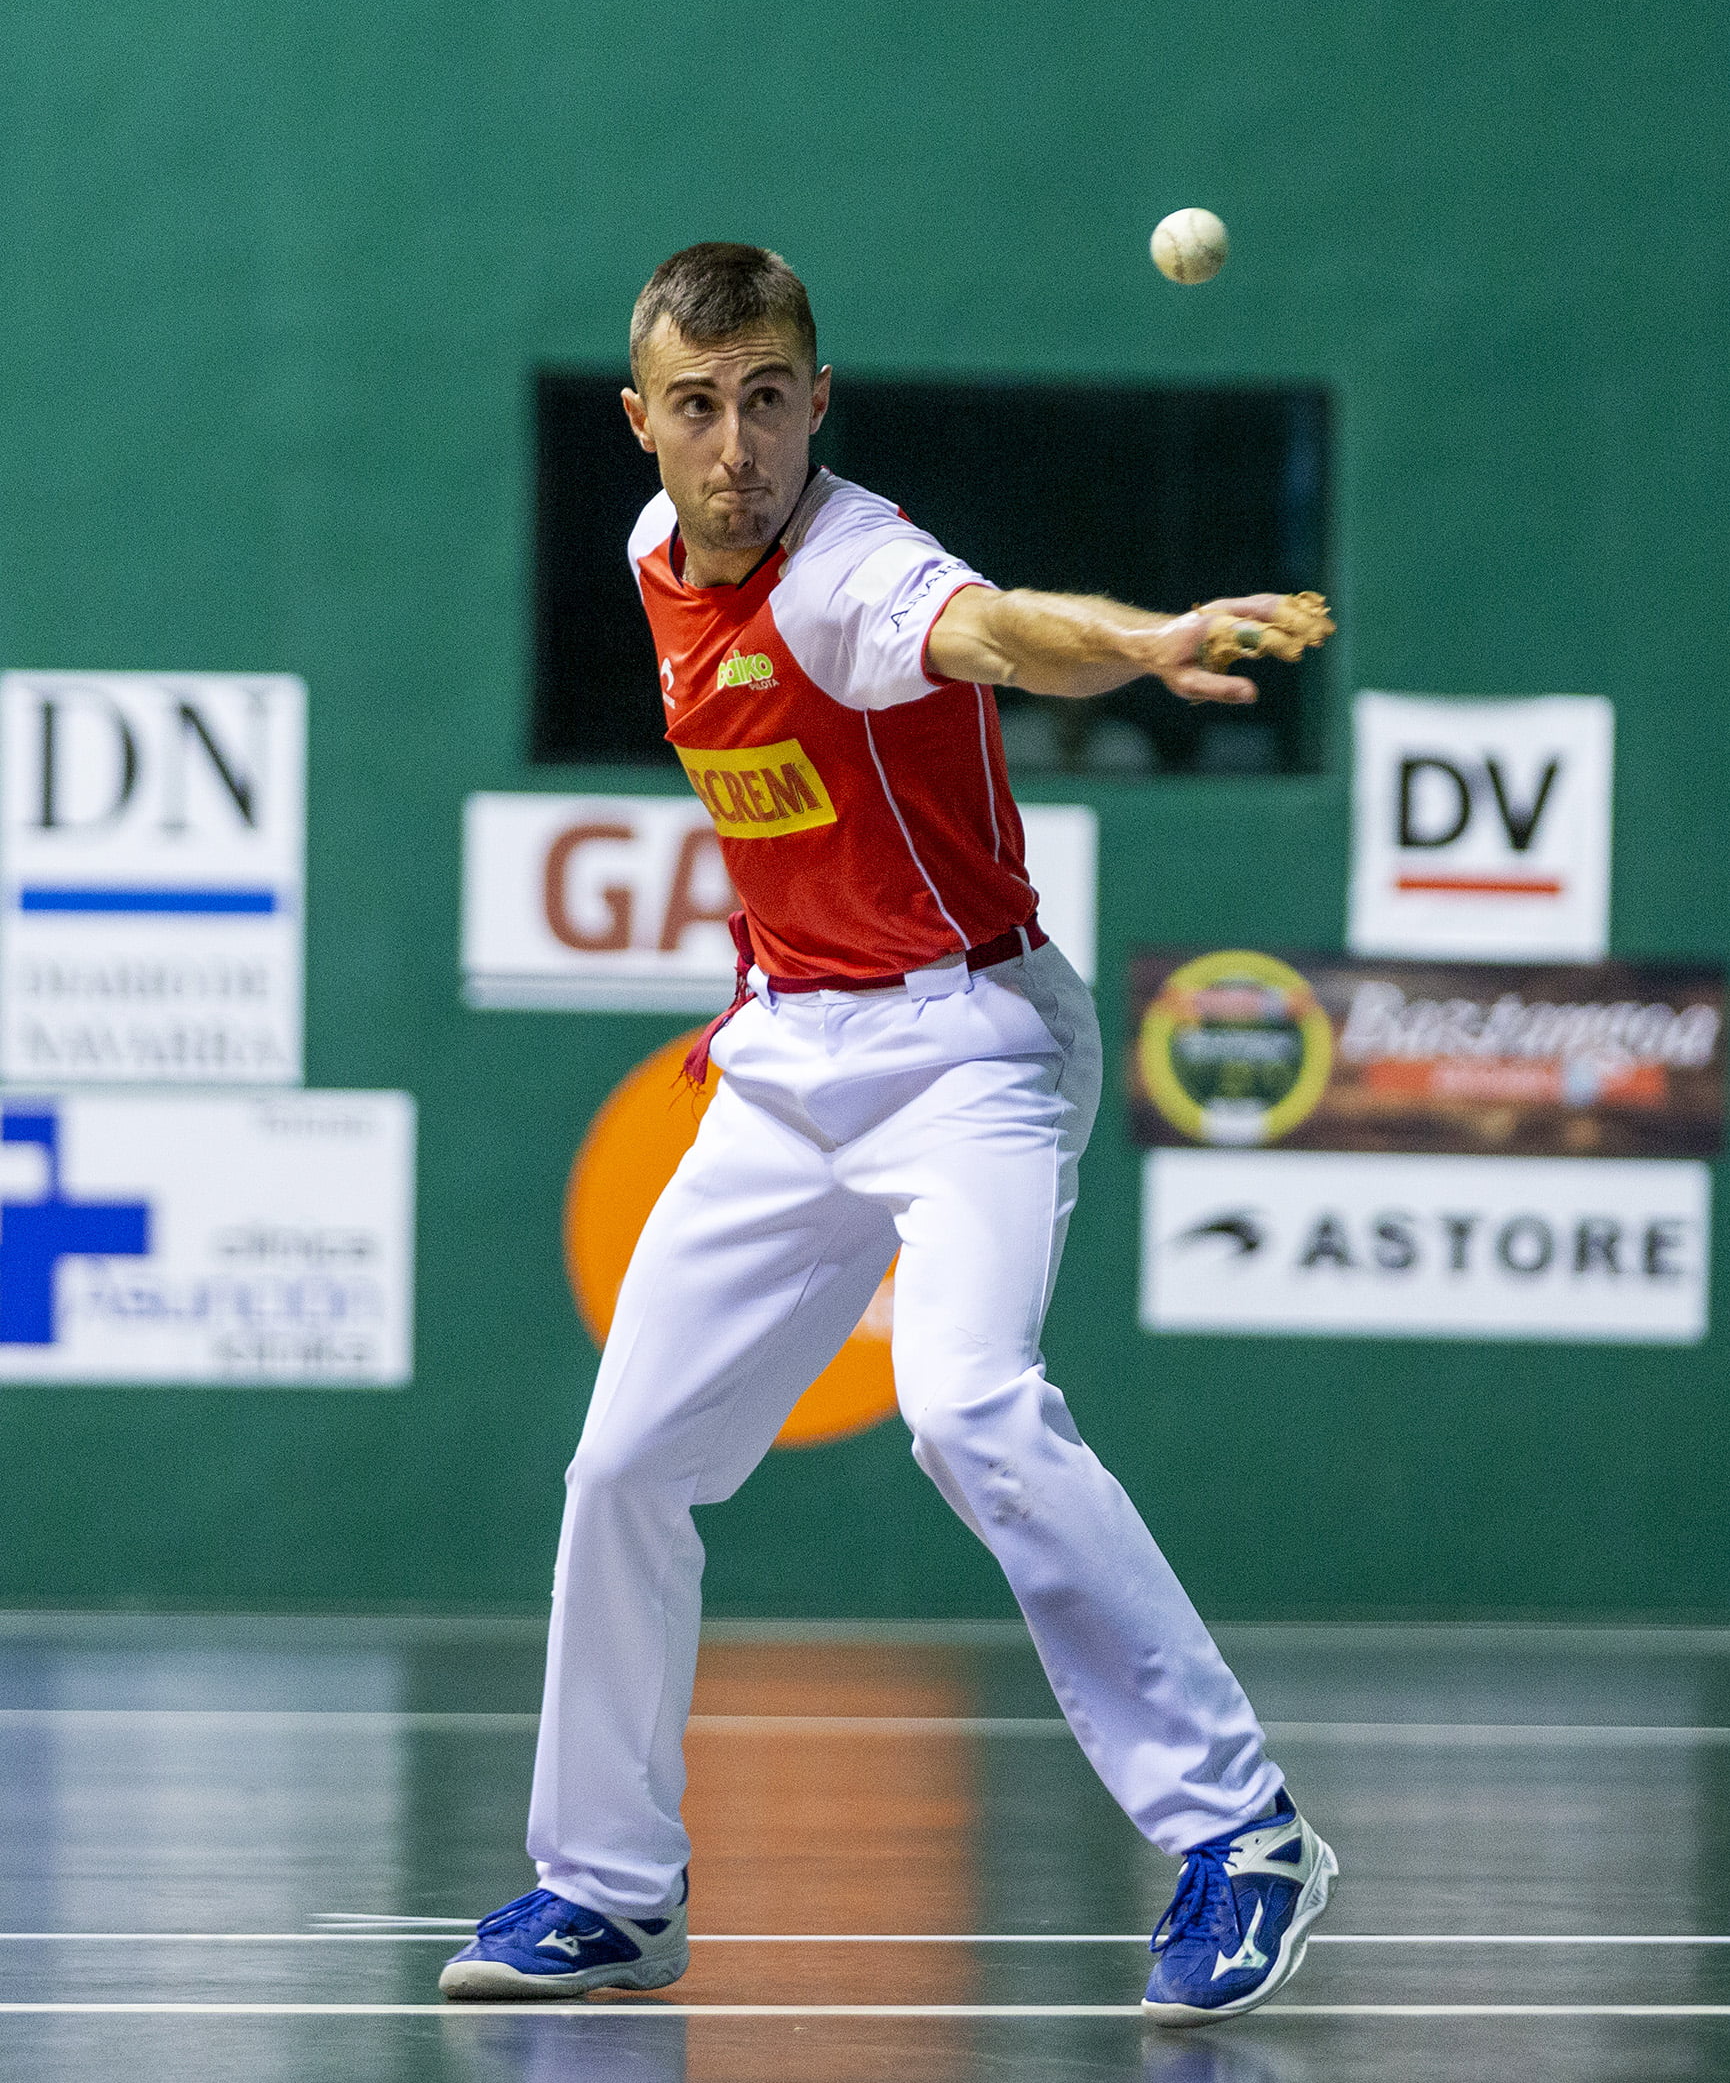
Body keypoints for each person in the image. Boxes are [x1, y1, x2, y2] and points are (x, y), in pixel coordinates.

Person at [441, 243, 1336, 2026]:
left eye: (769, 401)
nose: (737, 447)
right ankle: (608, 1888)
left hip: (966, 1051)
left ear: (817, 401)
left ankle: (1242, 1832)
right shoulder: (651, 549)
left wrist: (1141, 642)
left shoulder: (856, 575)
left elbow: (990, 630)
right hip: (790, 1060)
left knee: (966, 1405)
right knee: (624, 1468)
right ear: (641, 422)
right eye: (699, 407)